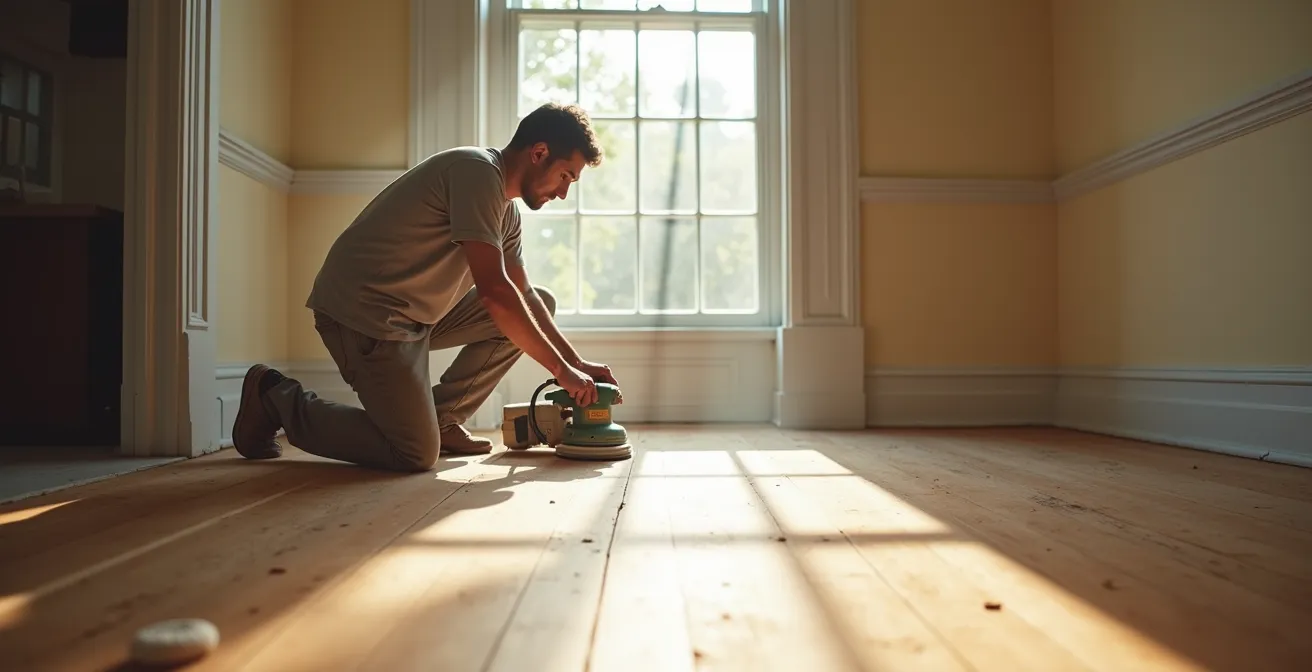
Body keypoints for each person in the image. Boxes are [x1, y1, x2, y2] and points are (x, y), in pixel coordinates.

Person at [231, 103, 622, 473]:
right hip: (367, 316)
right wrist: (559, 370)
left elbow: (525, 296)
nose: (564, 191)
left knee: (541, 303)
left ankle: (441, 420)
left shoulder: (506, 211)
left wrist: (576, 364)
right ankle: (275, 398)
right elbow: (496, 293)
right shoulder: (477, 172)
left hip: (414, 316)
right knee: (414, 452)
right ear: (539, 153)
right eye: (566, 176)